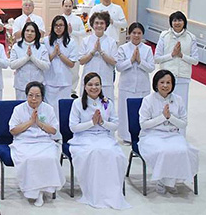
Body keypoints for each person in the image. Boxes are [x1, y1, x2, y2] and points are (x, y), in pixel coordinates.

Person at [68, 72, 130, 210]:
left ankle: (111, 192)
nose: (94, 87)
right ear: (84, 87)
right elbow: (73, 128)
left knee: (114, 154)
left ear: (101, 86)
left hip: (104, 137)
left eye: (97, 84)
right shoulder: (77, 103)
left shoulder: (107, 103)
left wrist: (102, 122)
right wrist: (91, 123)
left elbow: (115, 125)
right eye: (90, 85)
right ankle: (93, 191)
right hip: (83, 138)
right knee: (94, 153)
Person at [139, 70, 199, 195]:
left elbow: (183, 123)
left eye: (168, 82)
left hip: (172, 134)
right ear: (156, 84)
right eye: (162, 82)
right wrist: (162, 117)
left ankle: (172, 180)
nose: (165, 85)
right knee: (163, 151)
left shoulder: (178, 100)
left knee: (183, 150)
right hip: (152, 135)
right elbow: (144, 124)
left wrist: (170, 117)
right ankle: (161, 180)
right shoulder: (148, 100)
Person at [9, 82, 65, 207]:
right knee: (29, 159)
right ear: (26, 95)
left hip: (44, 141)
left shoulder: (48, 109)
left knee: (50, 158)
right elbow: (13, 130)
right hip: (24, 142)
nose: (33, 99)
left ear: (42, 96)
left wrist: (39, 123)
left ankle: (42, 190)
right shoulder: (19, 109)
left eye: (37, 96)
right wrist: (30, 122)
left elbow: (53, 130)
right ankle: (32, 191)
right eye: (30, 95)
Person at [154, 11, 199, 127]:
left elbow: (195, 60)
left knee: (180, 108)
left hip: (183, 77)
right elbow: (157, 58)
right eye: (174, 20)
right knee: (164, 106)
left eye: (179, 20)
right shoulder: (164, 36)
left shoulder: (191, 37)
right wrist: (172, 55)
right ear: (171, 23)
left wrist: (181, 55)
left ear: (184, 22)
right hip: (166, 78)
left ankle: (180, 135)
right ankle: (163, 131)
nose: (177, 23)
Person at [115, 22, 154, 143]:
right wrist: (131, 60)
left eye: (139, 33)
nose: (136, 35)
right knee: (125, 112)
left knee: (141, 112)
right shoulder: (123, 48)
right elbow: (119, 67)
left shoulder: (147, 49)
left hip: (142, 86)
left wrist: (140, 61)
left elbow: (151, 68)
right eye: (134, 33)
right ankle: (125, 136)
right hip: (126, 86)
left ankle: (140, 135)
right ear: (129, 34)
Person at [43, 16, 78, 127]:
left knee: (62, 110)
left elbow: (71, 64)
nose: (58, 28)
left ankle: (62, 135)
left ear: (65, 27)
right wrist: (53, 54)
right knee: (50, 110)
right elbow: (43, 61)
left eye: (61, 25)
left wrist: (60, 54)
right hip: (49, 81)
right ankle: (51, 134)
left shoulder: (71, 42)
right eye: (56, 25)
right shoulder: (46, 41)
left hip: (65, 81)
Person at [79, 11, 118, 101]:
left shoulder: (111, 42)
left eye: (102, 23)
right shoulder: (86, 41)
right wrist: (93, 51)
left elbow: (114, 61)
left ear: (106, 25)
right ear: (92, 24)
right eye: (96, 23)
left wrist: (101, 52)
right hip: (89, 80)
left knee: (106, 107)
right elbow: (81, 61)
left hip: (105, 81)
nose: (99, 26)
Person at [9, 22, 50, 100]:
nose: (29, 33)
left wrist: (32, 58)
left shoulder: (42, 48)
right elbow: (12, 65)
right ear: (23, 32)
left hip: (38, 86)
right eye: (27, 30)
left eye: (32, 31)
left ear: (36, 33)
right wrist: (26, 58)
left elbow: (46, 66)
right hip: (21, 85)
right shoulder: (17, 46)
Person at [61, 0, 86, 96]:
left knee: (75, 71)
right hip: (62, 48)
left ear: (72, 7)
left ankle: (72, 90)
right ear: (62, 6)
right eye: (66, 6)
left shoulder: (77, 19)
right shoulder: (59, 19)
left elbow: (83, 32)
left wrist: (72, 32)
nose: (68, 8)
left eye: (70, 6)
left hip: (75, 48)